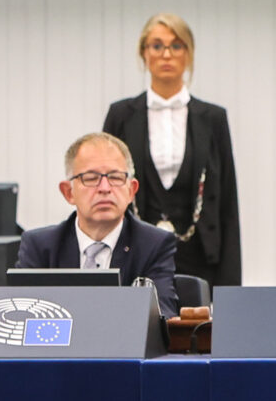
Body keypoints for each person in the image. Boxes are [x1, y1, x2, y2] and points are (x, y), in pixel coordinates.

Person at [101, 13, 242, 288]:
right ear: (144, 53)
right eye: (157, 45)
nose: (166, 54)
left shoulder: (213, 119)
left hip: (201, 257)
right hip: (133, 255)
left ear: (188, 54)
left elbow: (228, 203)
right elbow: (103, 187)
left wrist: (230, 287)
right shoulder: (120, 116)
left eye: (176, 46)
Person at [15, 133, 180, 314]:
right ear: (68, 192)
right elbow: (23, 316)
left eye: (115, 177)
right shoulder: (40, 246)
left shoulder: (154, 244)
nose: (104, 188)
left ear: (131, 191)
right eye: (91, 178)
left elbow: (162, 318)